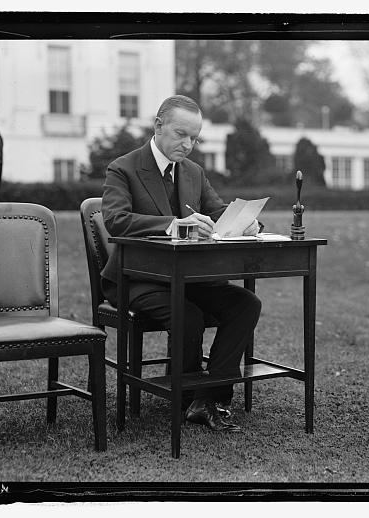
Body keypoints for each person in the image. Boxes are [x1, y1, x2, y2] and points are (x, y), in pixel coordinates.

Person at [101, 95, 262, 433]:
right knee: (187, 314)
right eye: (181, 134)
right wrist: (172, 224)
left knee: (245, 304)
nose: (188, 144)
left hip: (187, 277)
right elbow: (115, 220)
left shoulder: (193, 172)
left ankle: (206, 397)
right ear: (158, 126)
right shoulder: (123, 168)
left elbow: (217, 211)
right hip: (137, 278)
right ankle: (191, 396)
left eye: (194, 138)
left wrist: (248, 223)